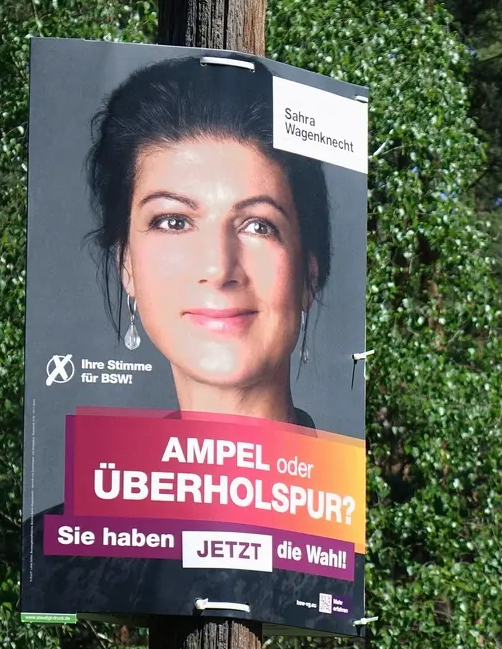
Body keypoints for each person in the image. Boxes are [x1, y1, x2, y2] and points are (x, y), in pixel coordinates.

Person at [87, 56, 330, 427]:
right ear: (127, 265)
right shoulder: (83, 483)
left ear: (309, 274)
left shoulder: (349, 476)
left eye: (259, 226)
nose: (218, 269)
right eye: (174, 221)